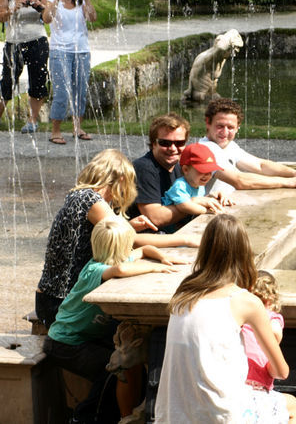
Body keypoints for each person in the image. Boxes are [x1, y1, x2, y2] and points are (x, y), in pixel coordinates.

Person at [35, 148, 198, 328]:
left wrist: (128, 227)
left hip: (51, 297)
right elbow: (131, 240)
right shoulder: (91, 200)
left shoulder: (79, 195)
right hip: (62, 304)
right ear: (121, 179)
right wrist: (185, 240)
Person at [155, 213, 293, 423]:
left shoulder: (183, 294)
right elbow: (281, 371)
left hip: (172, 413)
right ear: (243, 252)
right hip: (222, 415)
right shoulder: (245, 301)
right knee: (291, 406)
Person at [45, 217, 180, 421]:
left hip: (83, 339)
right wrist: (154, 268)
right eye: (129, 244)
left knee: (126, 366)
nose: (132, 248)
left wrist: (163, 259)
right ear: (123, 246)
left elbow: (145, 249)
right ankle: (85, 417)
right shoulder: (95, 269)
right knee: (113, 369)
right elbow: (121, 271)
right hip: (65, 343)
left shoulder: (117, 259)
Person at [199, 98, 296, 197]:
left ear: (237, 127)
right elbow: (239, 181)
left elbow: (260, 165)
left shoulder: (229, 146)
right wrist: (288, 182)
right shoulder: (205, 149)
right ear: (208, 122)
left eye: (230, 127)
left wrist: (295, 173)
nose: (225, 132)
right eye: (220, 126)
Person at [241, 271, 296, 423]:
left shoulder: (239, 317)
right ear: (270, 300)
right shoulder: (270, 317)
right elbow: (277, 370)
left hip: (235, 388)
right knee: (293, 406)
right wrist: (272, 341)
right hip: (256, 393)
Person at [45, 0, 97, 144]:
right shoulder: (53, 0)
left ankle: (77, 128)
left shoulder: (81, 2)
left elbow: (92, 18)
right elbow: (46, 18)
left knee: (80, 91)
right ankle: (55, 131)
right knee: (61, 92)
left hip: (81, 51)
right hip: (60, 51)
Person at [0, 0, 50, 132]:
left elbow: (48, 15)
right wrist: (12, 9)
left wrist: (39, 5)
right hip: (14, 42)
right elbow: (1, 17)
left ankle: (32, 120)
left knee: (37, 80)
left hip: (38, 40)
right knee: (7, 80)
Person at [161, 143, 227, 220]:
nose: (207, 175)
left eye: (210, 171)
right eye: (202, 170)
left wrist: (213, 198)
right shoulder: (180, 186)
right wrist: (208, 211)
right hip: (168, 229)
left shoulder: (199, 185)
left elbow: (198, 200)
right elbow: (184, 206)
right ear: (186, 170)